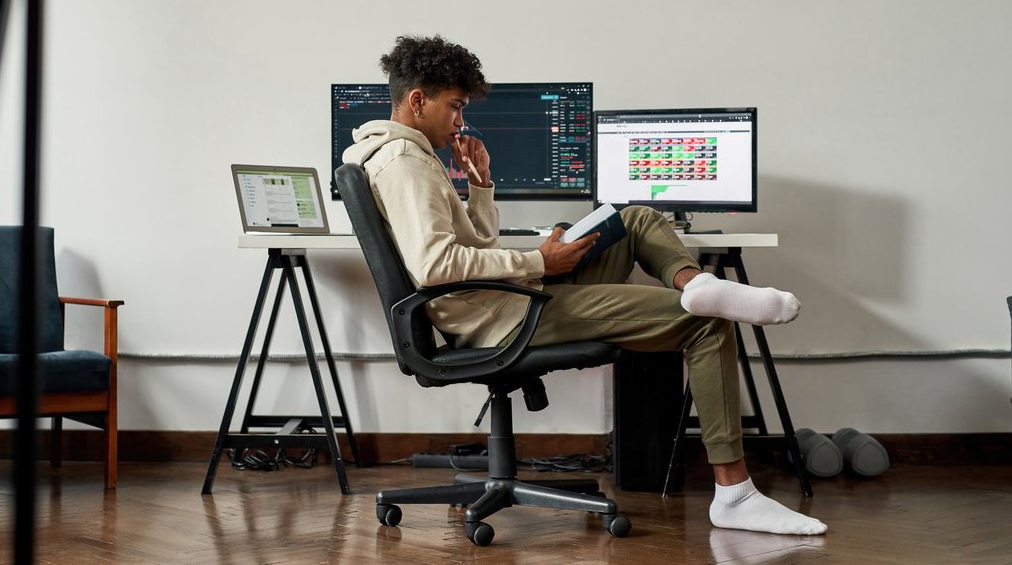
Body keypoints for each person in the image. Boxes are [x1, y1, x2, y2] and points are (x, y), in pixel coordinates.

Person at [341, 34, 826, 536]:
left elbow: (476, 243)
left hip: (503, 301)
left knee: (634, 218)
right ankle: (735, 496)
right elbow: (434, 266)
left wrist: (481, 184)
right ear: (417, 100)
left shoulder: (405, 156)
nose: (461, 121)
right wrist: (537, 261)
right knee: (707, 325)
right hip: (505, 318)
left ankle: (695, 281)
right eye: (455, 106)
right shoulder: (404, 162)